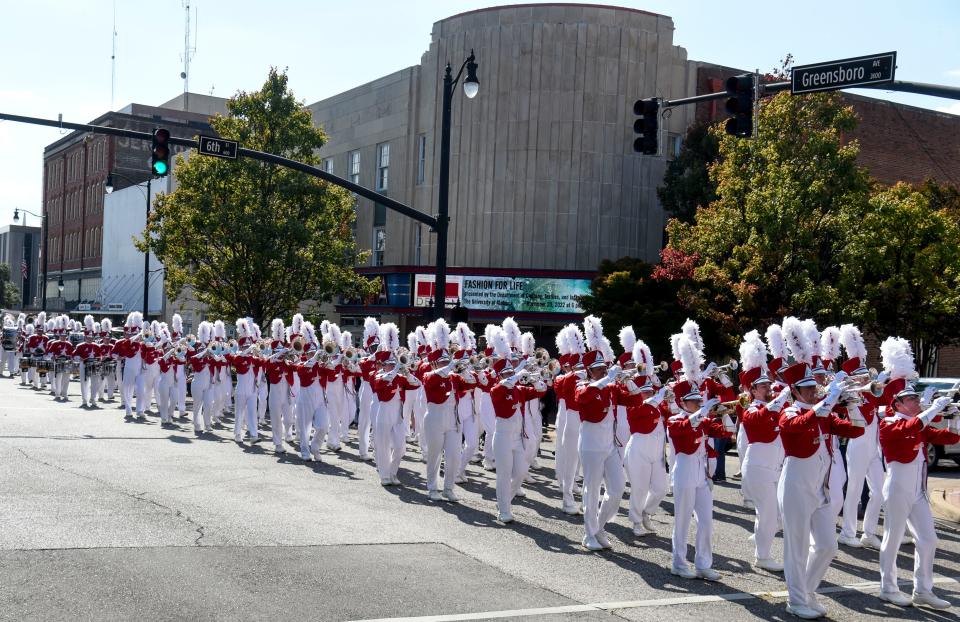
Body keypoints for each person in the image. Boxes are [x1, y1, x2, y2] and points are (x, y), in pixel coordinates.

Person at [776, 316, 865, 620]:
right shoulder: (789, 412)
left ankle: (807, 590)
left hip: (820, 488)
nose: (814, 392)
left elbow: (856, 431)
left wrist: (851, 402)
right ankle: (796, 599)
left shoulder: (823, 412)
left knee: (827, 545)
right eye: (808, 389)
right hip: (796, 485)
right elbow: (799, 425)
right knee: (797, 547)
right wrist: (824, 402)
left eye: (815, 388)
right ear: (795, 391)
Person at [875, 337, 959, 609]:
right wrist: (932, 409)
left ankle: (923, 589)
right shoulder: (889, 422)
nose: (915, 401)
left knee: (928, 539)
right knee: (893, 538)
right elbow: (908, 429)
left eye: (914, 397)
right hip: (898, 485)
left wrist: (954, 417)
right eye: (910, 398)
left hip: (917, 490)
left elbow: (947, 438)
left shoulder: (916, 423)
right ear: (898, 404)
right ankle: (888, 587)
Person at [574, 315, 630, 551]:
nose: (601, 371)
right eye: (597, 369)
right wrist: (606, 379)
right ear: (589, 371)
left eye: (603, 368)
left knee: (617, 488)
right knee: (591, 489)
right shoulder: (583, 385)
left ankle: (599, 526)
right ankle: (589, 534)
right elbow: (582, 398)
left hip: (609, 445)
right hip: (591, 444)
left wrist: (633, 381)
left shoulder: (610, 385)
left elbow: (635, 399)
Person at [737, 330, 789, 572]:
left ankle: (760, 542)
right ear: (753, 390)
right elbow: (761, 420)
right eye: (763, 385)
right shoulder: (752, 409)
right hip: (758, 468)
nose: (769, 387)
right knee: (769, 514)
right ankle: (763, 556)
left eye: (769, 383)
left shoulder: (773, 407)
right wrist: (780, 399)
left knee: (772, 515)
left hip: (773, 468)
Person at [489, 346, 546, 523]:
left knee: (521, 472)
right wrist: (516, 375)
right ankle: (504, 509)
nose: (508, 376)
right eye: (505, 374)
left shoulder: (519, 390)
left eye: (509, 373)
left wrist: (536, 380)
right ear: (499, 376)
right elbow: (501, 388)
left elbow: (541, 390)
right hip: (502, 437)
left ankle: (504, 501)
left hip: (517, 438)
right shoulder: (496, 390)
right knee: (504, 475)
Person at [620, 339, 669, 537]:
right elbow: (643, 413)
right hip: (639, 448)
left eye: (650, 391)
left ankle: (647, 513)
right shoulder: (635, 406)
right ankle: (636, 522)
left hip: (657, 450)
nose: (649, 394)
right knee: (639, 489)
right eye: (645, 391)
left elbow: (670, 413)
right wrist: (656, 400)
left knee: (661, 489)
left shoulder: (658, 403)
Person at [421, 319, 467, 502]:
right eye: (441, 362)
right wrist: (449, 367)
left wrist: (467, 370)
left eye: (446, 361)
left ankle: (448, 488)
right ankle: (432, 487)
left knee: (454, 455)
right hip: (435, 416)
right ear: (434, 364)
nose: (445, 365)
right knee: (434, 455)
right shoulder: (428, 374)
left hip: (452, 418)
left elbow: (473, 383)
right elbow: (430, 379)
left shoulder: (453, 376)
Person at [371, 336, 421, 486]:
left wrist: (407, 373)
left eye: (394, 365)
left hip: (398, 413)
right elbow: (382, 382)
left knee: (400, 447)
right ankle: (384, 475)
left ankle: (392, 472)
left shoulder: (400, 377)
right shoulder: (378, 375)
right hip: (384, 411)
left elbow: (417, 384)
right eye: (389, 365)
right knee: (383, 445)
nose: (392, 367)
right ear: (383, 365)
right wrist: (397, 369)